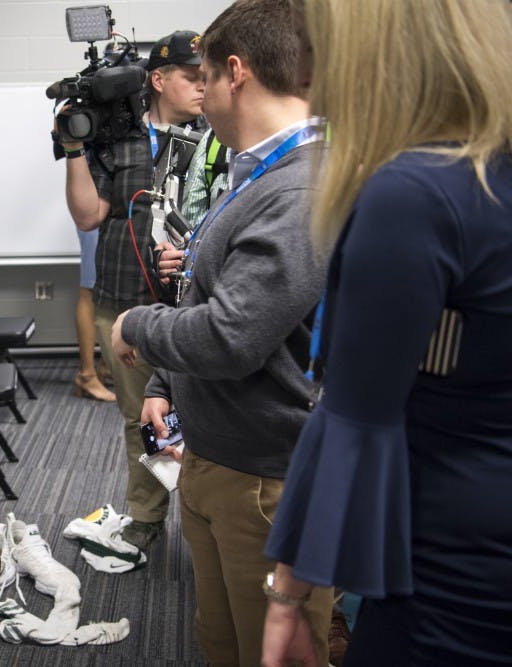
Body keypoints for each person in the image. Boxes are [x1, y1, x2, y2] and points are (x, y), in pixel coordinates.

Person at [261, 1, 512, 665]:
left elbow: (353, 416)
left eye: (315, 44)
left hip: (451, 575)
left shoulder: (417, 195)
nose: (305, 70)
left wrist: (288, 592)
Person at [110, 0, 335, 664]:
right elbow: (207, 291)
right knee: (222, 641)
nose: (198, 96)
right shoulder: (255, 172)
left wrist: (136, 326)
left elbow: (231, 334)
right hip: (217, 460)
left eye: (203, 77)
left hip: (264, 482)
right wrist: (163, 385)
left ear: (235, 72)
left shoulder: (297, 188)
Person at [60, 29, 205, 551]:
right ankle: (145, 516)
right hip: (121, 299)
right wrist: (74, 147)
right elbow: (89, 214)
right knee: (138, 417)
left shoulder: (216, 140)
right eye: (193, 77)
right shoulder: (116, 139)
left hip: (194, 308)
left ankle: (205, 520)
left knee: (204, 416)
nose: (203, 87)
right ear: (160, 79)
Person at [73, 228, 116, 402]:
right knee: (89, 290)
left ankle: (106, 367)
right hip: (96, 215)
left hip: (113, 216)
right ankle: (86, 376)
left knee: (112, 287)